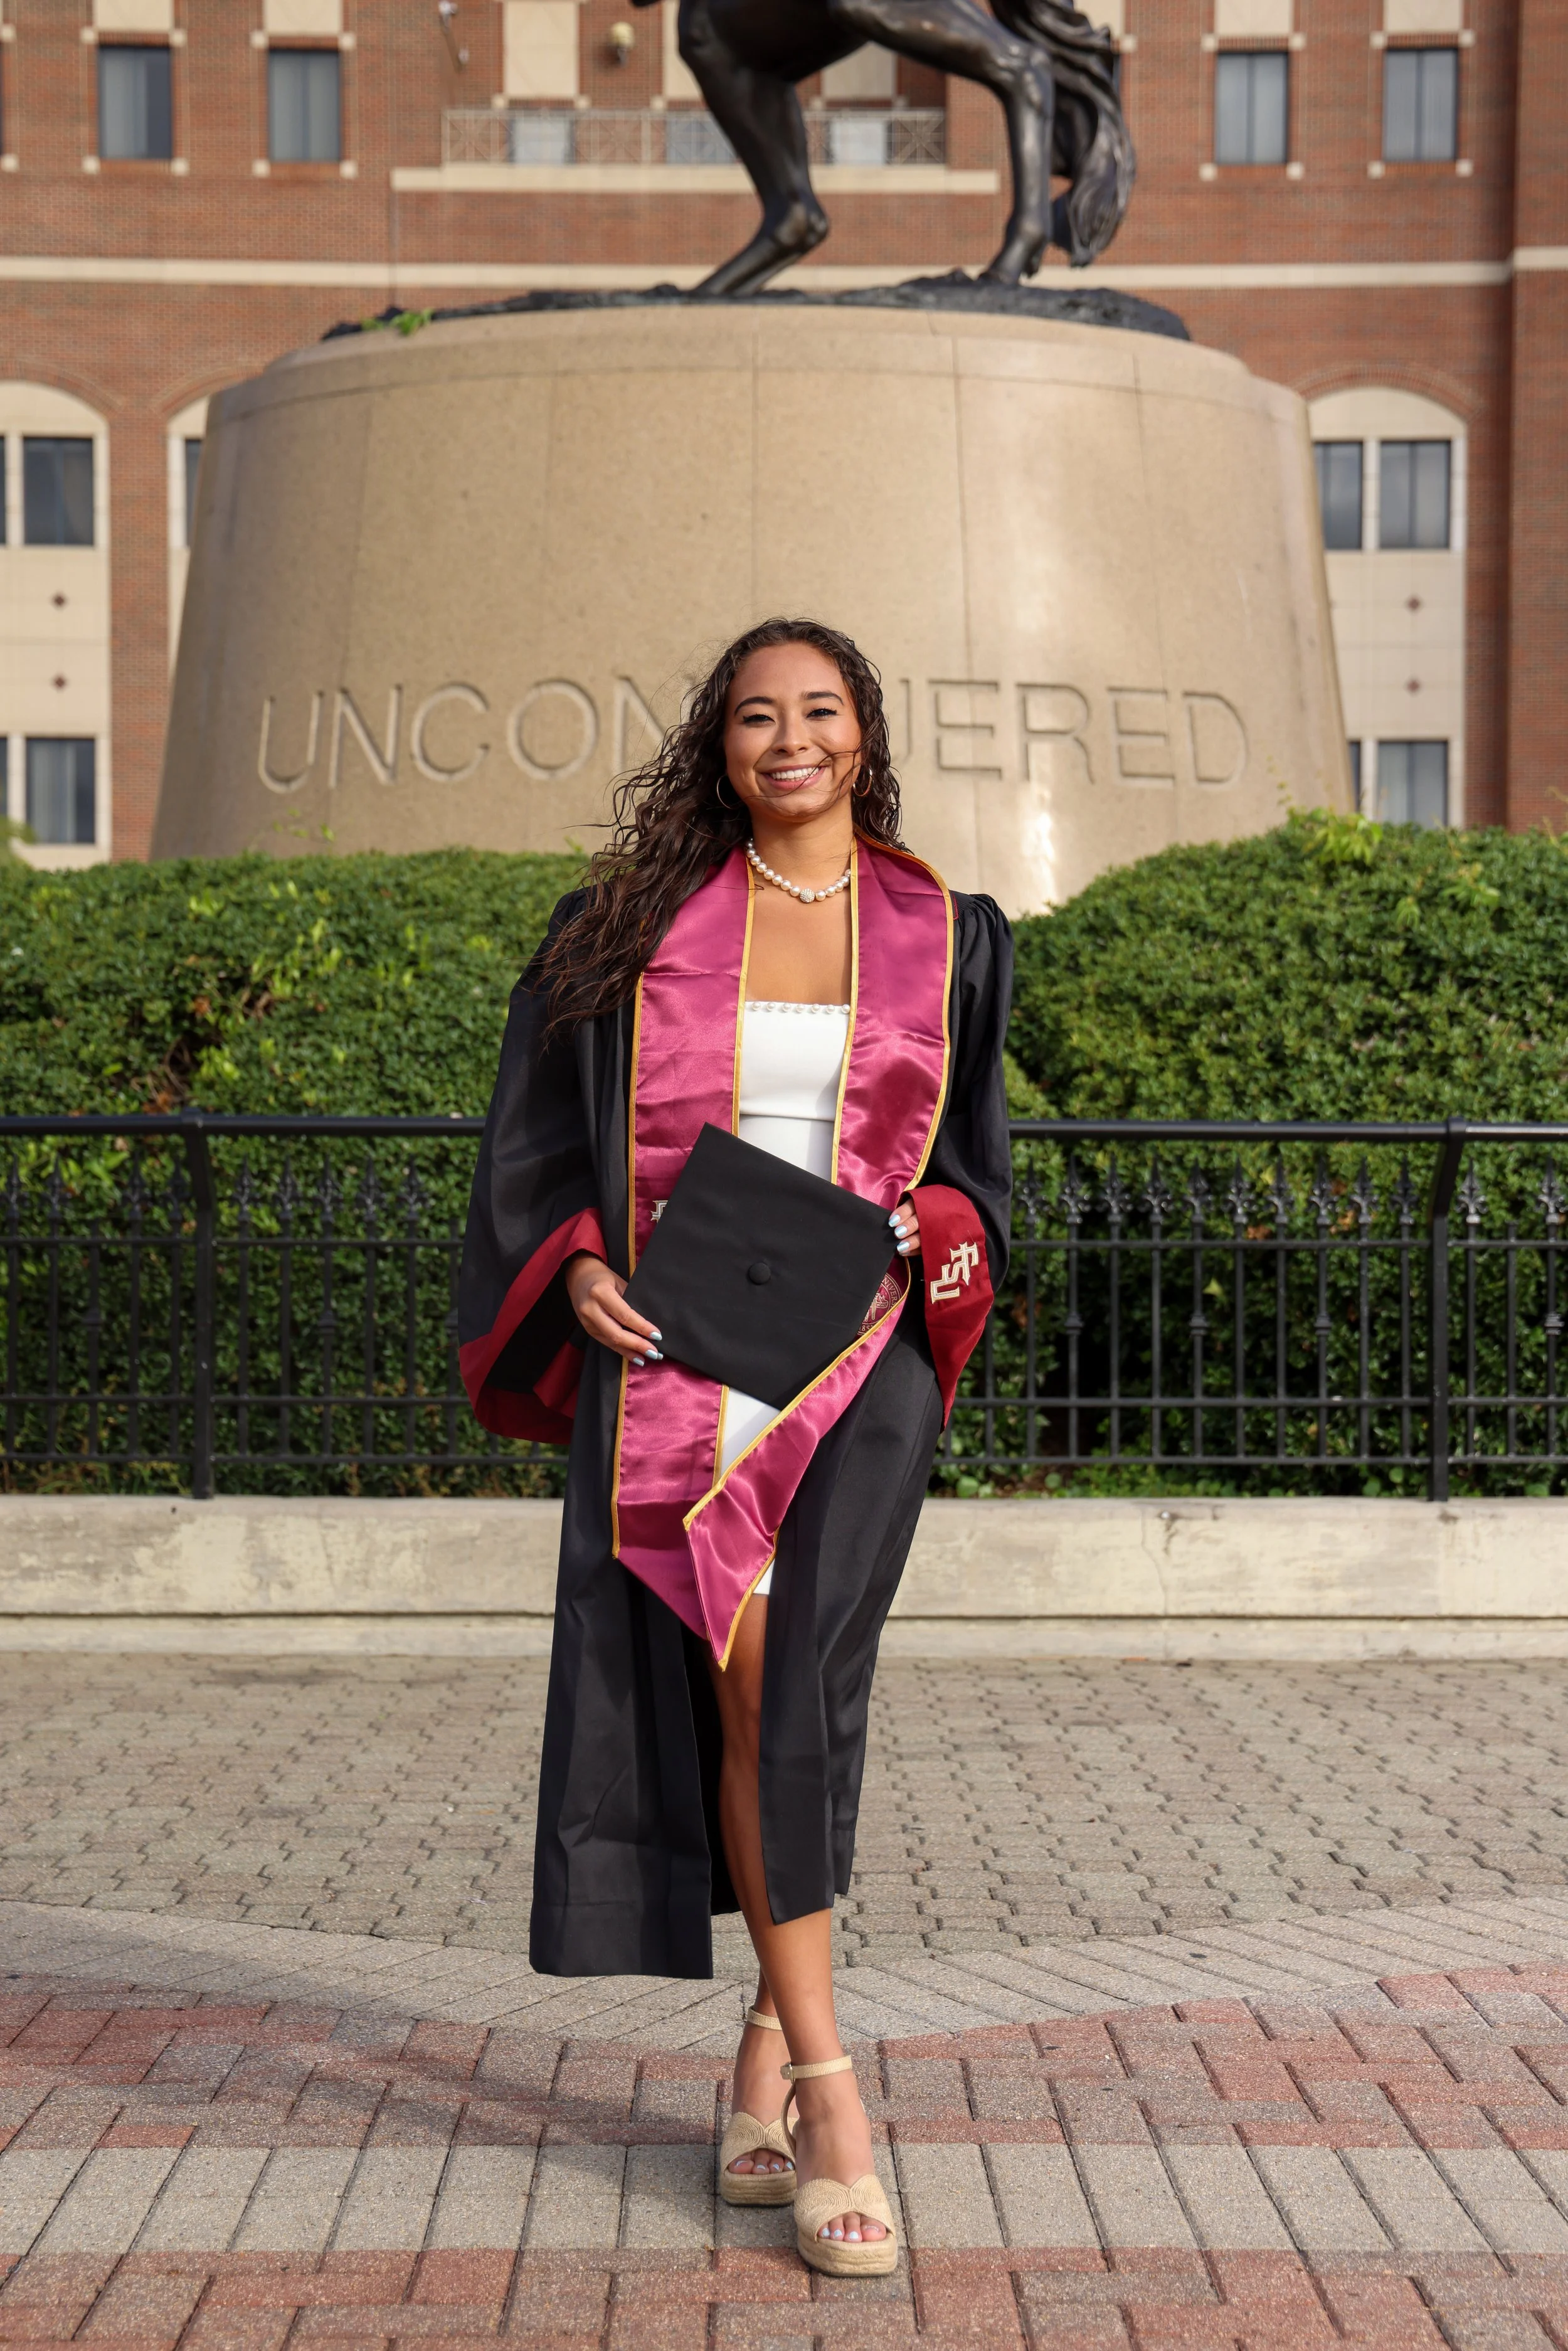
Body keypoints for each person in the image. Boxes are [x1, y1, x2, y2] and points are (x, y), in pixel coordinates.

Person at [460, 617, 1011, 2277]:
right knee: (748, 1677)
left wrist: (940, 1220)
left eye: (819, 711)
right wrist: (574, 1265)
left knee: (787, 1675)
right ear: (719, 745)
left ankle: (820, 2086)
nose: (790, 739)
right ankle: (780, 2055)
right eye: (757, 716)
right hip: (686, 1343)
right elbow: (532, 1148)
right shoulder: (622, 933)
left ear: (865, 734)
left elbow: (981, 1159)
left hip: (859, 1352)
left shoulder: (951, 933)